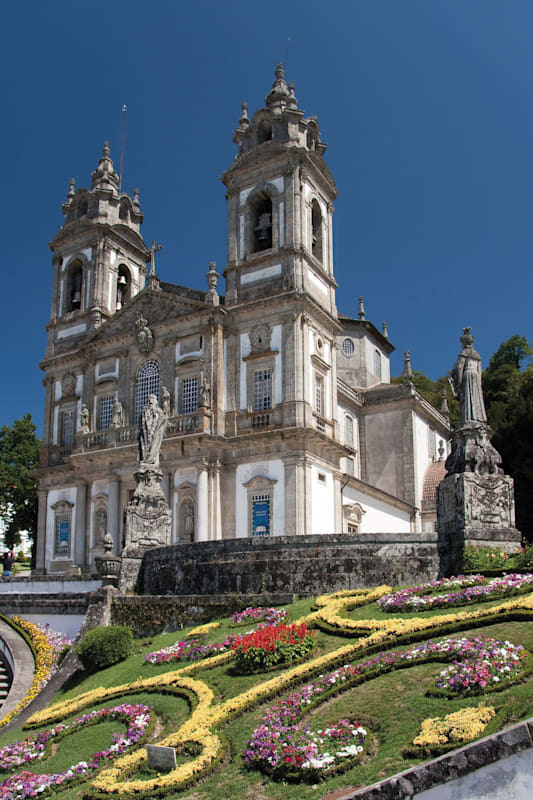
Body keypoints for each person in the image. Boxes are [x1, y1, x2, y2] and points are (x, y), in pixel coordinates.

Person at [138, 394, 167, 466]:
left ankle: (151, 460)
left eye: (152, 399)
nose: (150, 401)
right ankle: (147, 459)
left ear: (156, 402)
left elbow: (163, 421)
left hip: (155, 434)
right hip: (146, 434)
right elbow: (141, 423)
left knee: (154, 448)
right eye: (149, 400)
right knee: (146, 448)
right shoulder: (145, 411)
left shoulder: (159, 412)